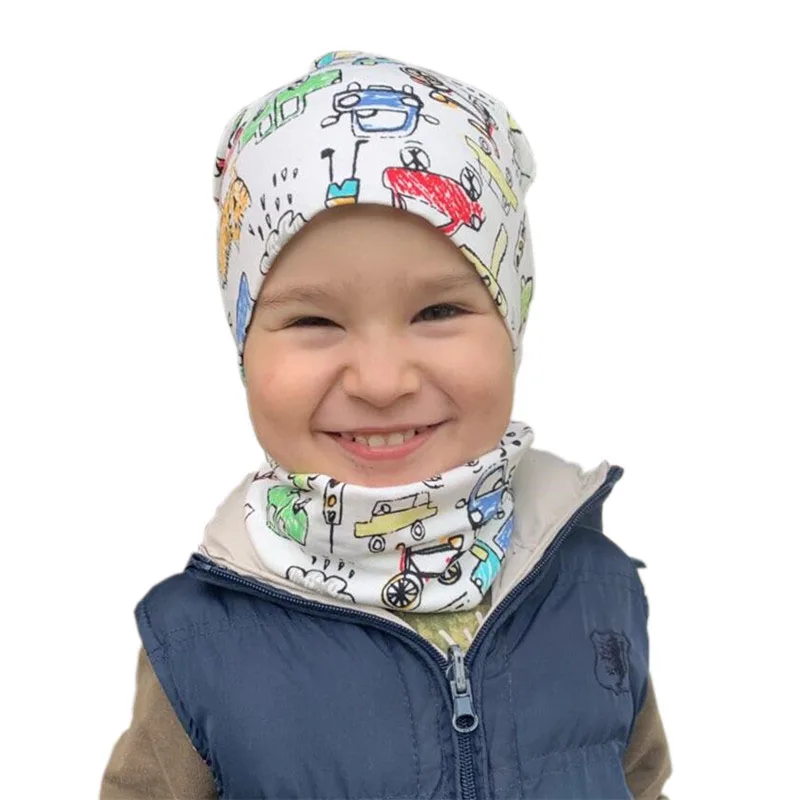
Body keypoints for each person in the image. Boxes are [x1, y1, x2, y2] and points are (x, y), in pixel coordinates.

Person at [101, 50, 671, 799]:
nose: (380, 381)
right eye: (314, 320)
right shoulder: (196, 645)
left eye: (438, 310)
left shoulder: (594, 584)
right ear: (244, 345)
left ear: (512, 324)